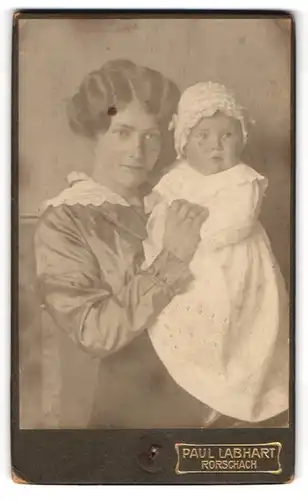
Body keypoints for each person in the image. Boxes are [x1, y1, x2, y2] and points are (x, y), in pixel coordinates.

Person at [34, 59, 216, 429]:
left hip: (211, 395)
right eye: (122, 132)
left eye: (151, 136)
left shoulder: (174, 198)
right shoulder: (67, 218)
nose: (138, 150)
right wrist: (170, 260)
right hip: (131, 410)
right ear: (94, 134)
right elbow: (94, 331)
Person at [143, 82, 289, 424]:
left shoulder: (242, 179)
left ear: (240, 139)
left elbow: (235, 223)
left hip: (236, 266)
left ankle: (232, 393)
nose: (215, 147)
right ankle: (202, 386)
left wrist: (192, 231)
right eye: (203, 137)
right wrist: (168, 230)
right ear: (184, 143)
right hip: (187, 261)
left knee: (238, 326)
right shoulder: (177, 179)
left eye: (226, 136)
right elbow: (160, 216)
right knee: (185, 316)